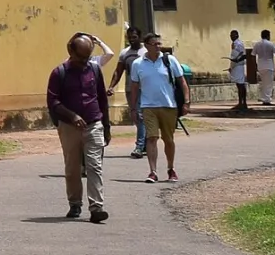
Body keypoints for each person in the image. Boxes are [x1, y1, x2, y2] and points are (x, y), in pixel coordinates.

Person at [46, 34, 111, 222]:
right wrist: (71, 116)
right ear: (70, 51)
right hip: (69, 127)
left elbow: (102, 99)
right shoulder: (59, 73)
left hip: (94, 124)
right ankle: (75, 203)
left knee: (94, 166)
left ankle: (96, 207)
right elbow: (53, 101)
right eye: (81, 57)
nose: (85, 61)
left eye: (88, 57)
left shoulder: (95, 70)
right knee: (73, 167)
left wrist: (106, 126)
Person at [127, 30, 187, 183]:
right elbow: (134, 87)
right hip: (148, 106)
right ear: (146, 46)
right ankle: (152, 171)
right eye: (155, 44)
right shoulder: (138, 64)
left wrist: (186, 101)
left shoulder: (169, 60)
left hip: (169, 105)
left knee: (168, 139)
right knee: (151, 138)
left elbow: (182, 81)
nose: (158, 47)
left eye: (159, 43)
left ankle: (170, 168)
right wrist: (133, 108)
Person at [111, 28, 148, 157]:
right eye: (130, 37)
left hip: (145, 89)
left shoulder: (146, 52)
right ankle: (146, 144)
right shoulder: (124, 53)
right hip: (130, 89)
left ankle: (139, 146)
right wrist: (112, 87)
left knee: (141, 116)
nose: (132, 39)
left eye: (134, 37)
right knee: (136, 118)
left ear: (139, 37)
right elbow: (118, 71)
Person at [250, 29, 275, 107]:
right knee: (269, 83)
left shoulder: (257, 44)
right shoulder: (271, 44)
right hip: (269, 66)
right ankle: (267, 99)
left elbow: (252, 55)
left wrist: (255, 65)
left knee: (263, 83)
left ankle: (264, 97)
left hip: (261, 66)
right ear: (268, 36)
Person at [228, 31, 250, 114]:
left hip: (239, 66)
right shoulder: (234, 44)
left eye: (233, 35)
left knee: (241, 84)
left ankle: (243, 103)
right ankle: (241, 103)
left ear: (237, 35)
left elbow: (244, 55)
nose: (232, 37)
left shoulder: (239, 43)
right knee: (238, 84)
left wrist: (237, 60)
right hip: (235, 66)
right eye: (231, 35)